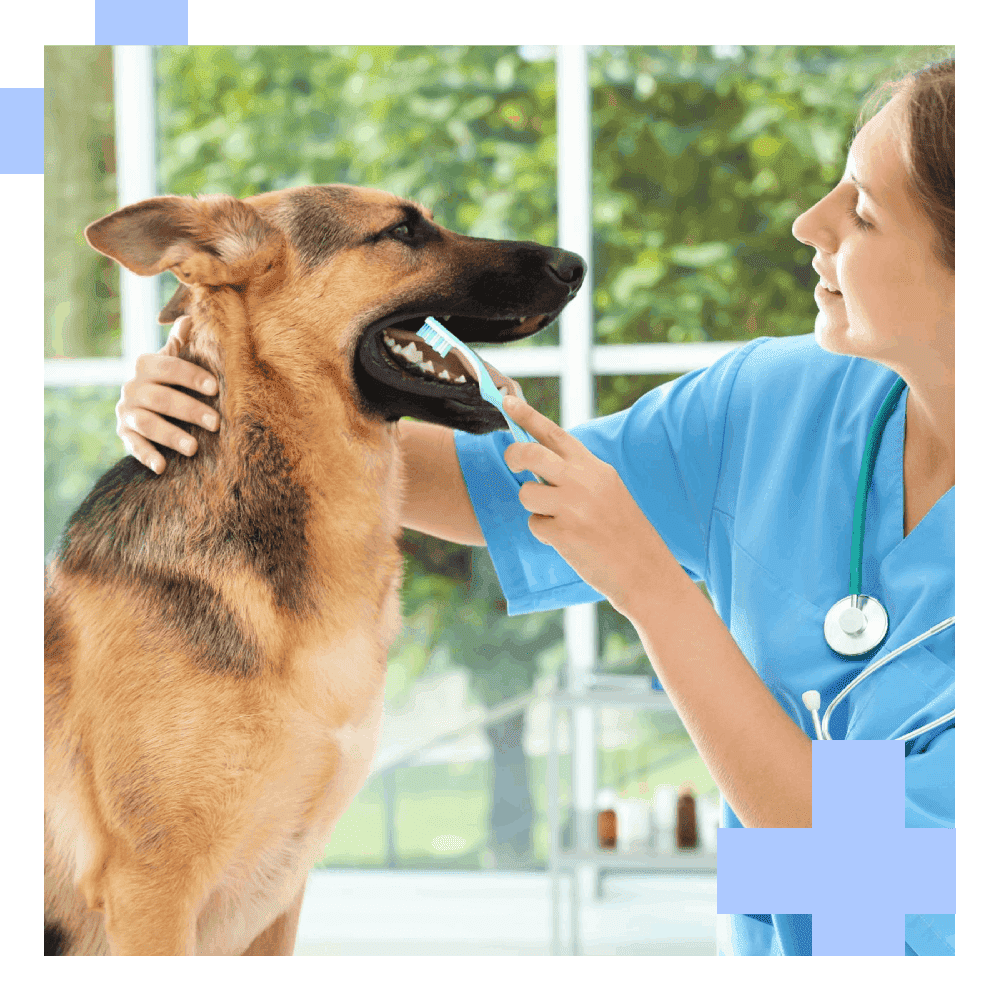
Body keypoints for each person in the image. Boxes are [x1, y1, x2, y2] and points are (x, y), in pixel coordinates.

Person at [113, 63, 953, 955]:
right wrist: (226, 398)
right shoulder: (783, 403)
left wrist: (653, 592)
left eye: (862, 209)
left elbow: (875, 879)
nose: (808, 223)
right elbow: (492, 488)